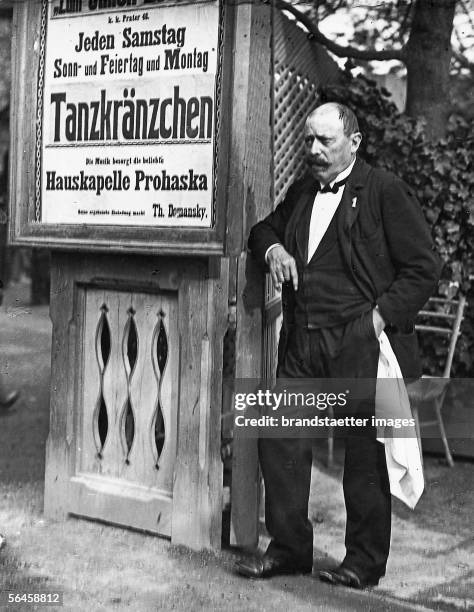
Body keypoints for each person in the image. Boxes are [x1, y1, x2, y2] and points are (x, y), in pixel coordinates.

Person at [235, 102, 441, 589]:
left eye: (325, 141)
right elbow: (263, 227)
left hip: (360, 342)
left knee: (365, 457)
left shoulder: (384, 190)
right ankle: (288, 550)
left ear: (354, 142)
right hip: (303, 340)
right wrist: (274, 249)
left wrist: (378, 318)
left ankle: (363, 564)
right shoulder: (305, 189)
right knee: (281, 439)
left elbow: (423, 268)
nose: (314, 150)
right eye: (309, 140)